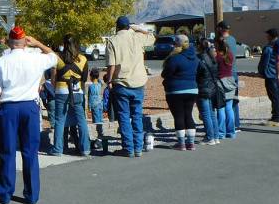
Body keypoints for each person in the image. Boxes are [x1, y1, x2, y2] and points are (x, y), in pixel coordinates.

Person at [0, 26, 57, 204]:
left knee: (7, 151)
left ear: (10, 42)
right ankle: (32, 194)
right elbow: (54, 57)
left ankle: (4, 193)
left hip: (8, 107)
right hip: (29, 107)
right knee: (30, 152)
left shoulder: (3, 61)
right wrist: (38, 43)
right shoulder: (35, 58)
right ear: (25, 41)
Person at [105, 17, 156, 158]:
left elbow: (111, 65)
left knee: (124, 117)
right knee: (137, 116)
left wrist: (109, 80)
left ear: (117, 27)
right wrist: (137, 28)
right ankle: (138, 148)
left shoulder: (113, 41)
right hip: (138, 82)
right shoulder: (138, 37)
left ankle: (129, 148)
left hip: (121, 83)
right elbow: (152, 37)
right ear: (128, 26)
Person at [50, 34, 90, 157]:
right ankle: (85, 149)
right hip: (77, 91)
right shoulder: (83, 59)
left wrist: (56, 88)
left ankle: (58, 149)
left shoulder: (57, 58)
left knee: (59, 121)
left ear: (64, 44)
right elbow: (83, 79)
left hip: (61, 91)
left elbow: (53, 79)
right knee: (81, 120)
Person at [161, 35, 199, 150]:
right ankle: (191, 143)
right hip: (192, 89)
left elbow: (166, 73)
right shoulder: (195, 58)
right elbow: (201, 70)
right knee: (188, 115)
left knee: (179, 116)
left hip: (175, 90)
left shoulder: (174, 58)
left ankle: (181, 143)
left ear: (177, 44)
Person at [195, 38, 222, 145]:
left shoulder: (200, 58)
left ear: (199, 46)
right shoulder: (212, 57)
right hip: (212, 87)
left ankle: (210, 137)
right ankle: (216, 136)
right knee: (212, 113)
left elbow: (198, 73)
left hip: (203, 88)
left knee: (205, 114)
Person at [216, 21, 241, 131]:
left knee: (222, 103)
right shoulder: (233, 39)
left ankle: (223, 128)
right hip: (233, 73)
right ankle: (235, 124)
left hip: (223, 74)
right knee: (233, 101)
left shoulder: (219, 41)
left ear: (220, 29)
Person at [259, 28, 279, 126]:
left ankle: (276, 118)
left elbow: (264, 63)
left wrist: (262, 72)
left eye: (267, 34)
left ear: (270, 36)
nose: (266, 36)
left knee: (274, 97)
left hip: (270, 75)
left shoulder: (268, 48)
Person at [215, 36, 236, 139]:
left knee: (221, 108)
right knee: (229, 108)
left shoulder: (217, 56)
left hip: (220, 82)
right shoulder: (230, 55)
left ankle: (221, 133)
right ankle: (231, 132)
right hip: (230, 81)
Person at [85, 68, 104, 136]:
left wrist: (88, 107)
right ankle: (100, 131)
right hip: (100, 104)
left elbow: (89, 97)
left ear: (91, 77)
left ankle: (99, 133)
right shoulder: (99, 84)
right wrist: (97, 76)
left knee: (96, 120)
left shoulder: (91, 86)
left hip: (94, 105)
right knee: (100, 118)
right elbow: (101, 81)